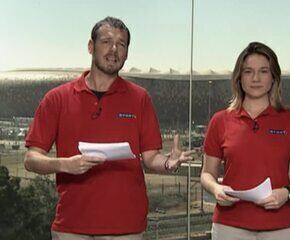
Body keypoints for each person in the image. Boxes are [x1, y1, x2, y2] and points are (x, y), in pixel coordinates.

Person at [24, 16, 193, 240]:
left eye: (121, 44)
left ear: (126, 53)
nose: (114, 49)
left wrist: (169, 163)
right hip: (71, 226)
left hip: (126, 227)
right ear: (90, 46)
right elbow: (31, 159)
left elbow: (151, 158)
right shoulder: (56, 99)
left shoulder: (140, 98)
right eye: (106, 41)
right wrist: (66, 164)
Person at [201, 42, 290, 240]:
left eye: (263, 71)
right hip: (229, 226)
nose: (255, 78)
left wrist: (287, 193)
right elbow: (206, 173)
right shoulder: (220, 121)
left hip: (282, 228)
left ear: (274, 78)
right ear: (239, 77)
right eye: (248, 71)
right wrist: (216, 188)